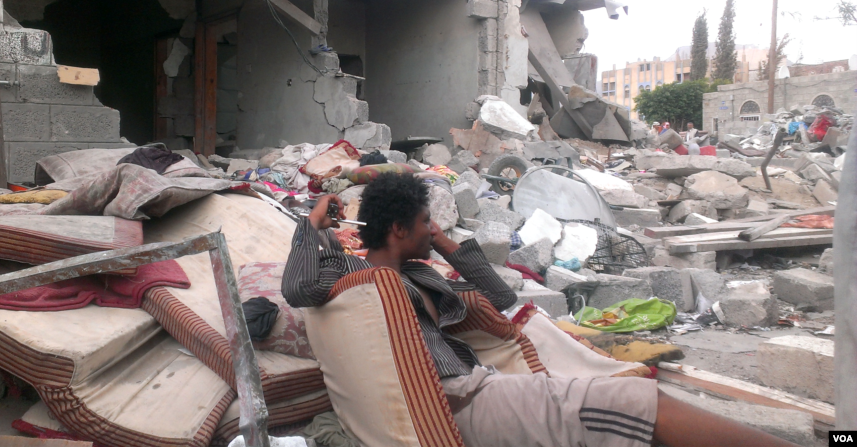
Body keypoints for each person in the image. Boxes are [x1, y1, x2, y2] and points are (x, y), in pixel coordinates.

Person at [283, 173, 800, 447]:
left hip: (481, 386)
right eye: (424, 222)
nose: (432, 230)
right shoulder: (352, 279)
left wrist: (441, 244)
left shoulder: (413, 276)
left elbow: (505, 303)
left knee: (631, 397)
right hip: (464, 405)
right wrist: (312, 225)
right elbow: (298, 285)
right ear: (398, 230)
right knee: (640, 403)